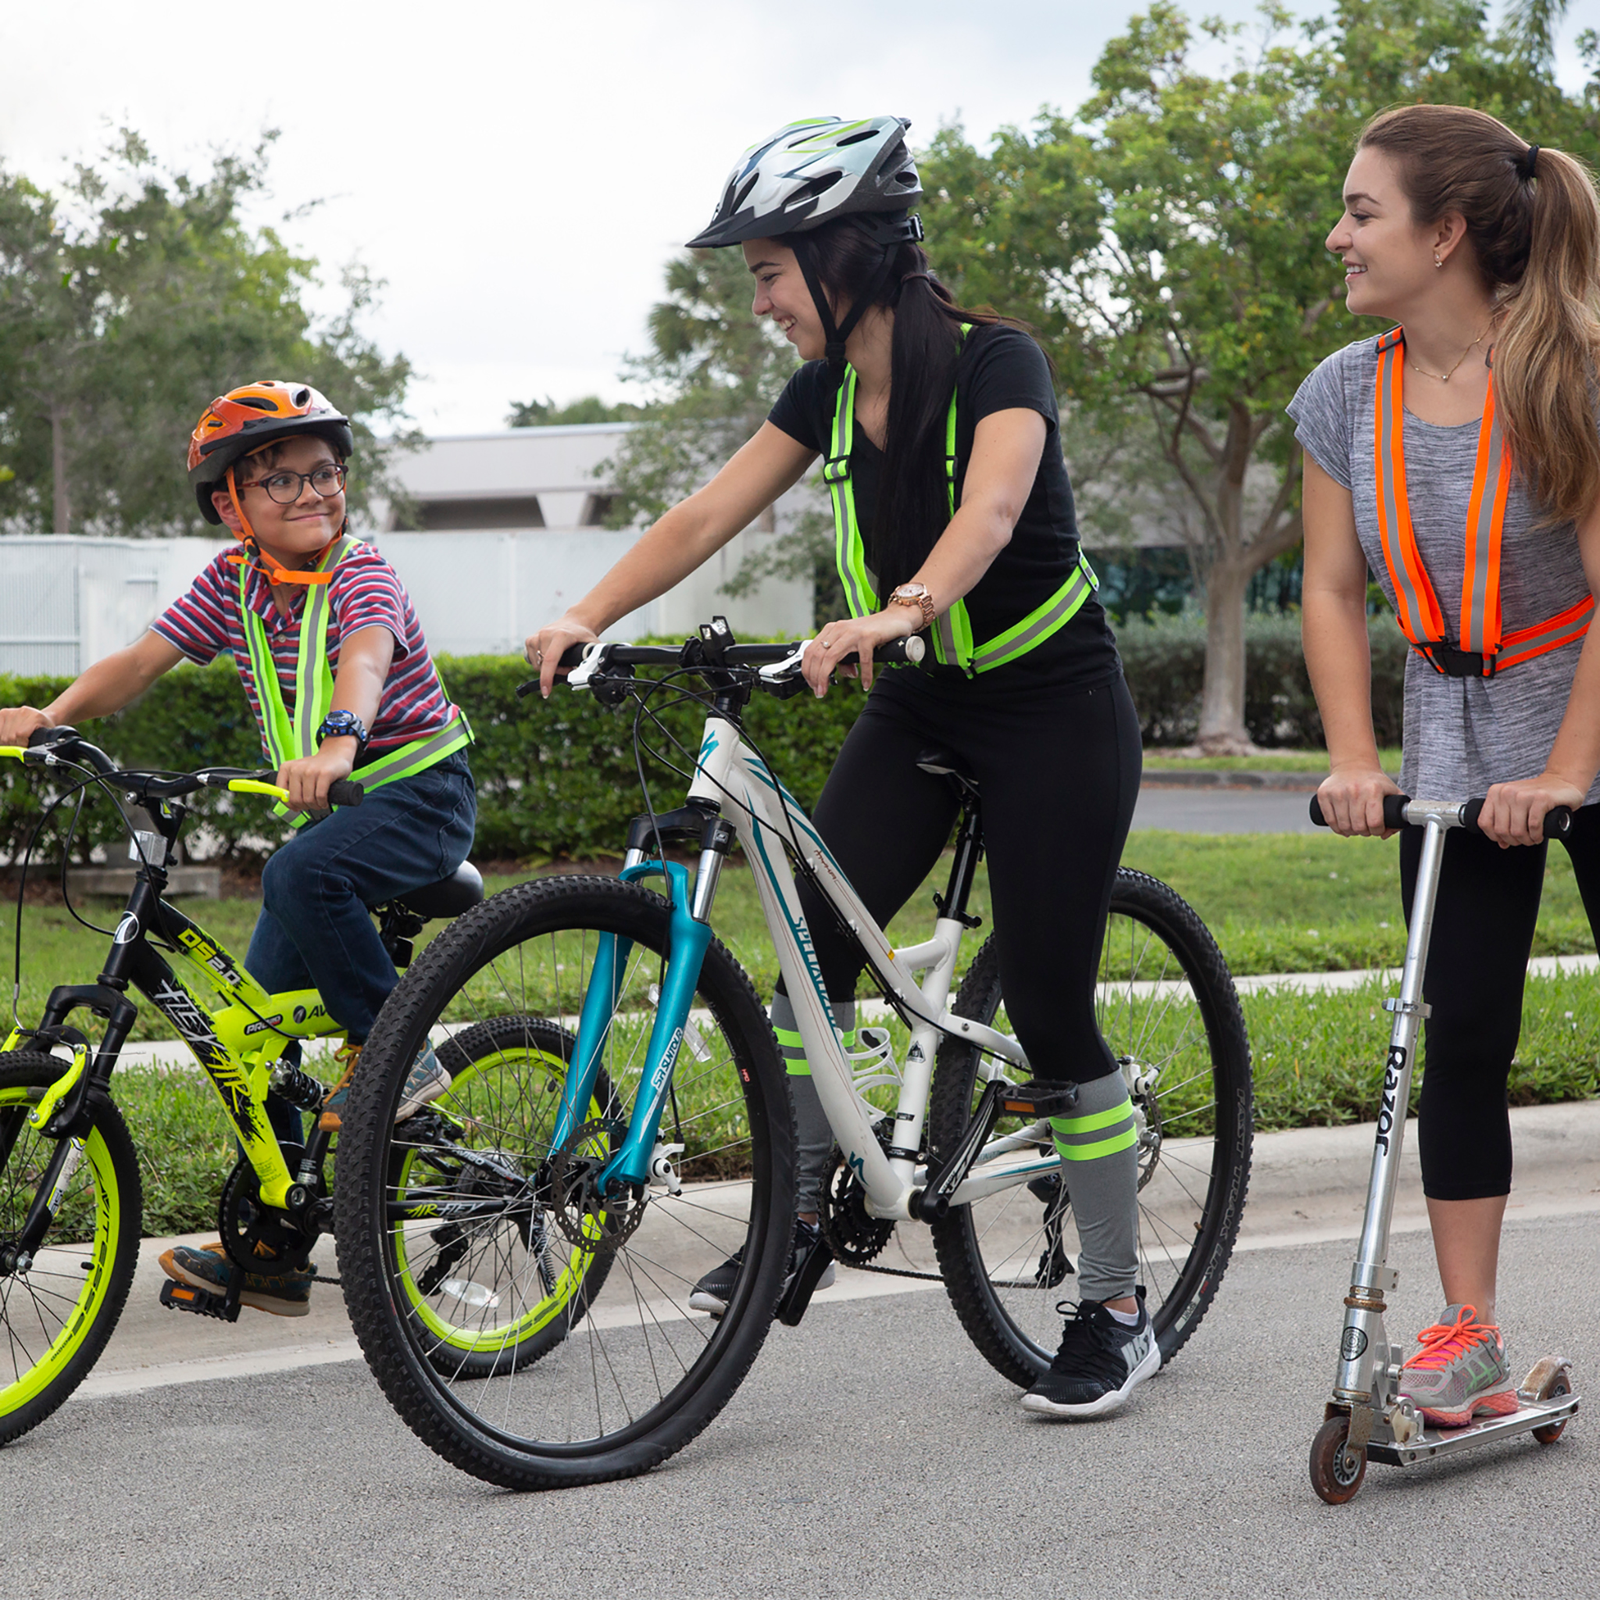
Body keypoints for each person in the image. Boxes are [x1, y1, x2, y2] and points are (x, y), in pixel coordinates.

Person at [528, 117, 1152, 1419]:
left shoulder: (999, 364)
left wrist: (900, 610)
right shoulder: (822, 394)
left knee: (1050, 1005)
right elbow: (708, 511)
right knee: (809, 949)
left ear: (851, 256)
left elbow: (989, 512)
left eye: (768, 273)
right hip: (922, 711)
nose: (758, 302)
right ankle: (801, 1212)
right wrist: (592, 611)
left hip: (1052, 709)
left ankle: (1113, 1299)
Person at [0, 382, 477, 1315]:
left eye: (326, 474)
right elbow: (139, 661)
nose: (313, 496)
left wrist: (340, 740)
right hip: (337, 818)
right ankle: (273, 1249)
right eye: (283, 481)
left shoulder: (360, 571)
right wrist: (47, 719)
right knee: (256, 1034)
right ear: (231, 503)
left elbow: (367, 656)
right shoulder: (231, 583)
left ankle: (400, 1057)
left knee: (302, 870)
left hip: (418, 795)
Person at [1296, 106, 1600, 1426]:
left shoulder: (1572, 373)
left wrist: (1570, 773)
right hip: (1453, 739)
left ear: (1448, 230)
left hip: (1585, 707)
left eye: (1363, 211)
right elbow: (1329, 588)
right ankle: (1469, 1331)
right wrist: (1356, 757)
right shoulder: (1341, 394)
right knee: (1457, 1034)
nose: (1340, 234)